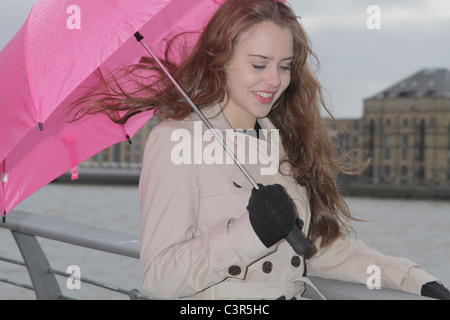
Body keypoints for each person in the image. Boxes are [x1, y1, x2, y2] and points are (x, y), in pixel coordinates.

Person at [76, 0, 449, 300]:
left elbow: (312, 247)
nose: (274, 81)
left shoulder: (280, 141)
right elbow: (160, 277)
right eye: (259, 64)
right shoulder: (177, 141)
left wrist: (409, 278)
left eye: (284, 66)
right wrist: (250, 232)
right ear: (219, 61)